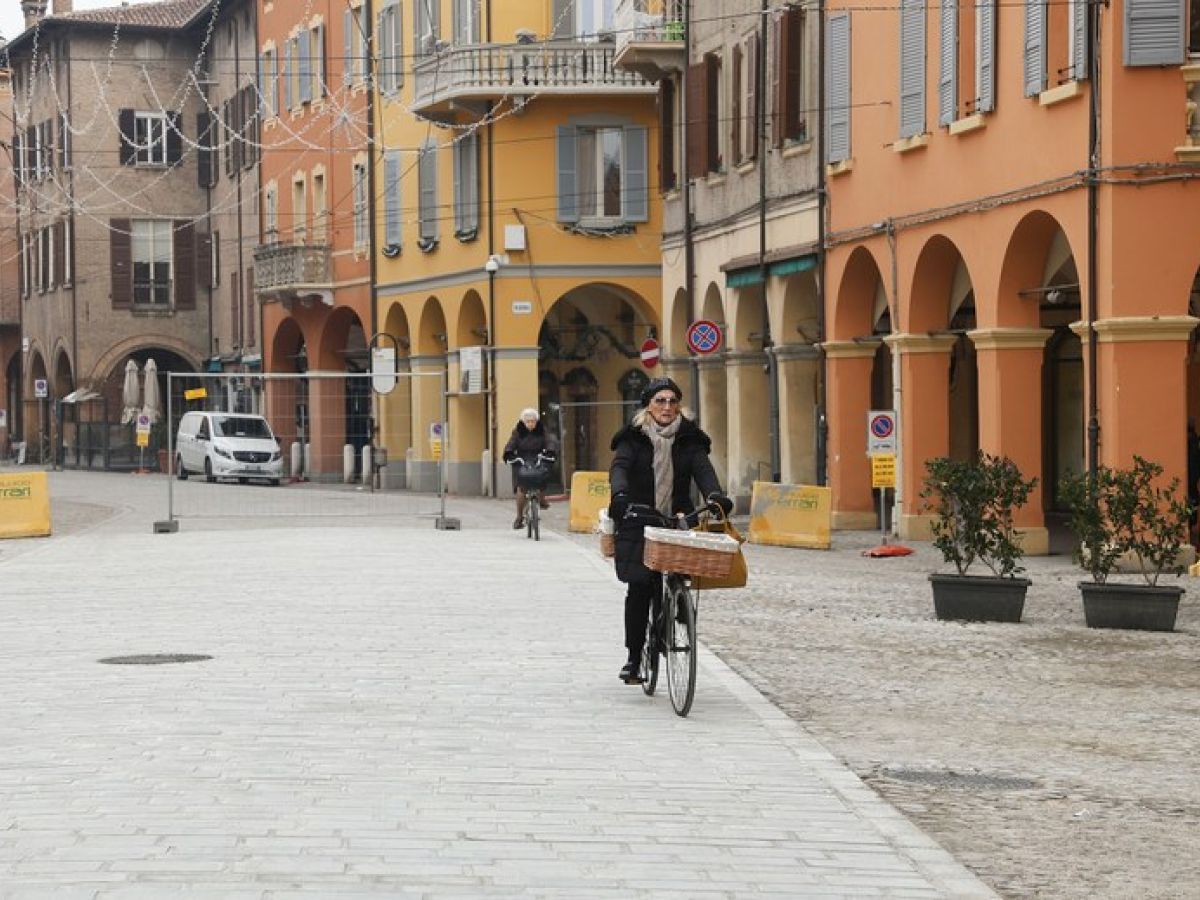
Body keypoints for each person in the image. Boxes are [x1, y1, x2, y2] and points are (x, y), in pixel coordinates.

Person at [607, 377, 732, 684]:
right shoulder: (632, 438)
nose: (667, 406)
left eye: (672, 401)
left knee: (681, 574)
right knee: (639, 587)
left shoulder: (690, 439)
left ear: (680, 406)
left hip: (678, 515)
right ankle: (634, 658)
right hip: (639, 514)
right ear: (648, 406)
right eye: (660, 401)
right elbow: (619, 468)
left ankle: (677, 609)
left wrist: (714, 495)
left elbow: (703, 470)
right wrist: (620, 496)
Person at [502, 407, 558, 529]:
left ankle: (542, 498)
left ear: (536, 421)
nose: (531, 423)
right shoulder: (518, 431)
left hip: (537, 457)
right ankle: (519, 517)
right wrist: (509, 454)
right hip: (521, 459)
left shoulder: (542, 430)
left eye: (533, 421)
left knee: (542, 475)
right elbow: (511, 444)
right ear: (523, 422)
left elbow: (550, 441)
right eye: (528, 421)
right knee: (521, 488)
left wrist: (549, 452)